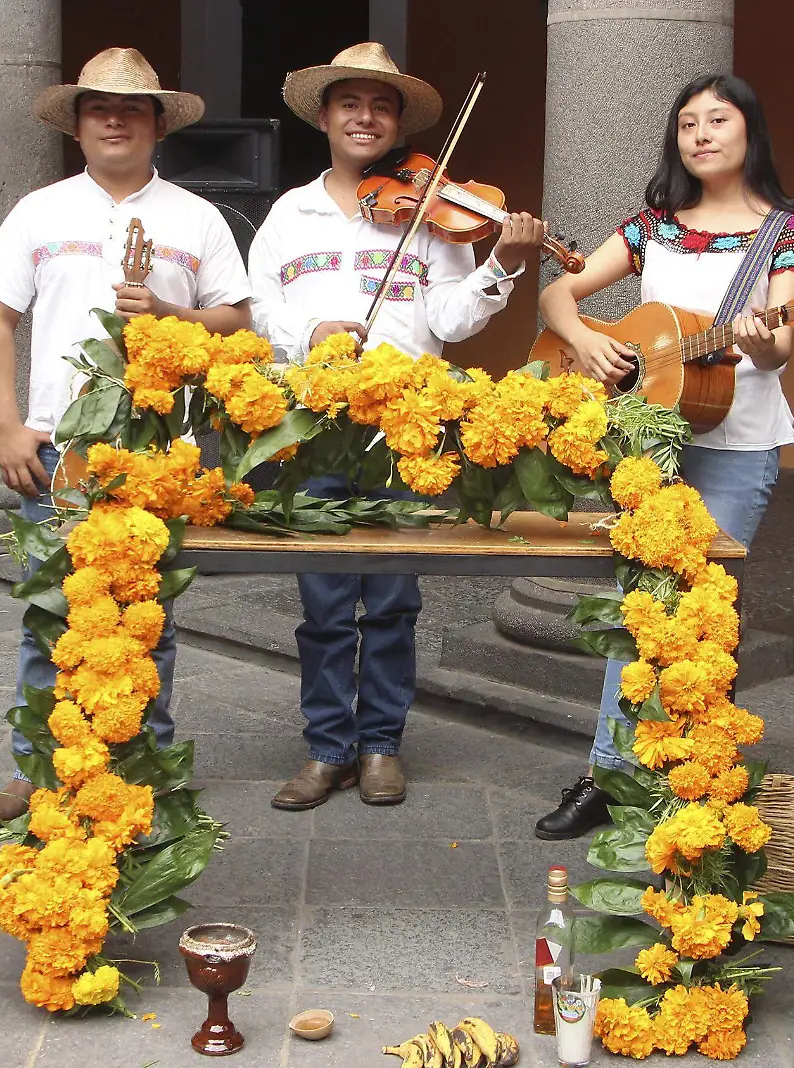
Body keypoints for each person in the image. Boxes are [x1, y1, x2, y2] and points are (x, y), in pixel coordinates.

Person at [249, 42, 545, 810]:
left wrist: (500, 267)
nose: (366, 117)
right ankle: (325, 746)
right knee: (321, 598)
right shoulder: (289, 213)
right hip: (314, 423)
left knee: (391, 597)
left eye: (382, 106)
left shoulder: (433, 216)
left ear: (398, 123)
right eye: (351, 102)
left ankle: (380, 744)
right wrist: (307, 336)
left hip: (405, 429)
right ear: (324, 115)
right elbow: (258, 309)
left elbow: (449, 317)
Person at [531, 74, 794, 840]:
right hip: (648, 446)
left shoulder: (784, 233)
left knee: (701, 620)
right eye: (687, 122)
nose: (700, 134)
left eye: (717, 119)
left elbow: (783, 341)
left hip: (737, 445)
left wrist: (767, 335)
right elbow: (561, 296)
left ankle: (688, 782)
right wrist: (589, 339)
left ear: (749, 132)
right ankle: (609, 771)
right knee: (639, 614)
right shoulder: (652, 226)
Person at [0, 48, 251, 827]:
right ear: (78, 124)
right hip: (57, 446)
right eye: (99, 107)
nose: (116, 119)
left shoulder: (195, 218)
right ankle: (40, 767)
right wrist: (5, 425)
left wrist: (173, 315)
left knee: (147, 618)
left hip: (157, 453)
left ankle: (146, 763)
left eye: (132, 108)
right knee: (52, 615)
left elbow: (236, 321)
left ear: (159, 123)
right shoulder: (40, 210)